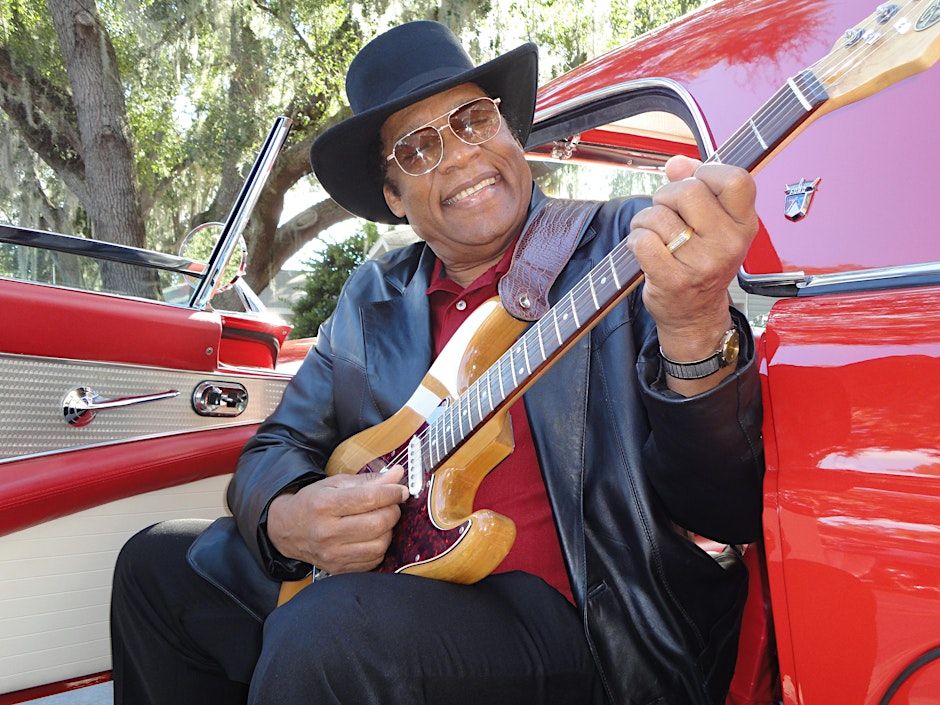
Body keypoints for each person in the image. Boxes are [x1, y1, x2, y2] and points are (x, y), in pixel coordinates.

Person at [111, 20, 763, 705]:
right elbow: (280, 442)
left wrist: (692, 323)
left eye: (474, 119)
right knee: (153, 566)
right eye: (418, 148)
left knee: (328, 635)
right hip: (394, 582)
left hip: (582, 626)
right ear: (393, 195)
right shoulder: (373, 296)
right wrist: (287, 517)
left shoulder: (631, 248)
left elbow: (726, 503)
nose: (458, 155)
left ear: (511, 134)